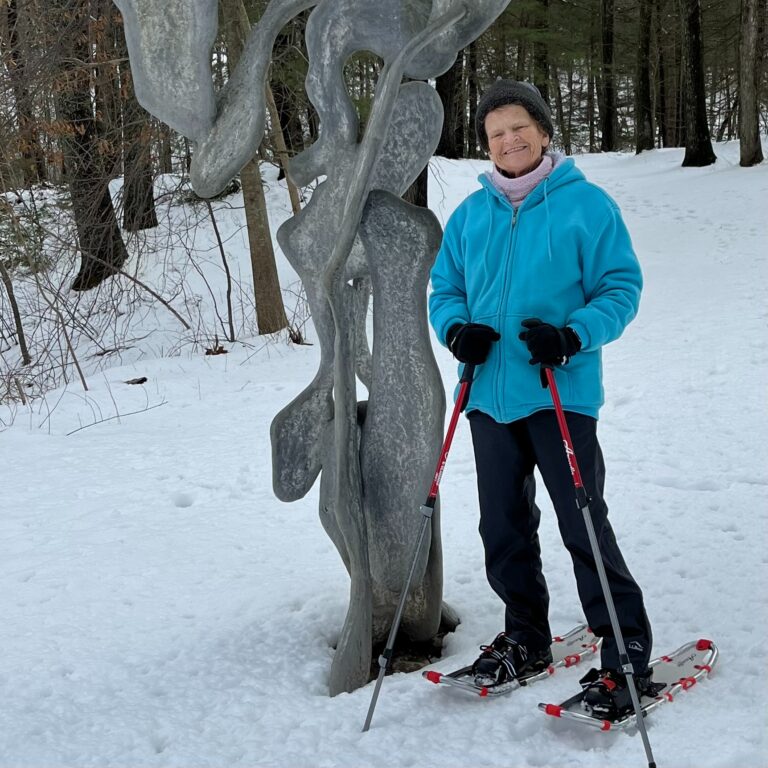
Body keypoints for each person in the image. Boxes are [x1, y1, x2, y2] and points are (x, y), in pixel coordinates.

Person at [428, 80, 654, 719]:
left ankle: (625, 651)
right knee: (501, 525)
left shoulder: (587, 206)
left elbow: (621, 288)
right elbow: (445, 290)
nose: (509, 140)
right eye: (496, 132)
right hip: (488, 398)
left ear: (545, 132)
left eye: (519, 127)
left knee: (582, 521)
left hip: (559, 393)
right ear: (486, 145)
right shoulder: (470, 216)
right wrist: (457, 331)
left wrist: (572, 334)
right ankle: (525, 635)